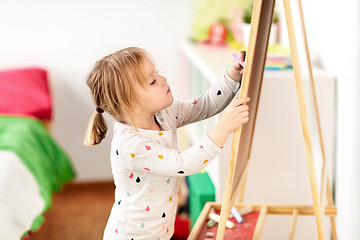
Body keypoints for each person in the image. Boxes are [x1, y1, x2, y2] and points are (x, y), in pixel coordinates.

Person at [84, 47, 250, 240]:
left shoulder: (164, 113)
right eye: (152, 81)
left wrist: (232, 76)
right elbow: (183, 164)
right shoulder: (130, 145)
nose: (162, 79)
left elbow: (205, 105)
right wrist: (223, 128)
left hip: (159, 233)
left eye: (157, 73)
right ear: (131, 103)